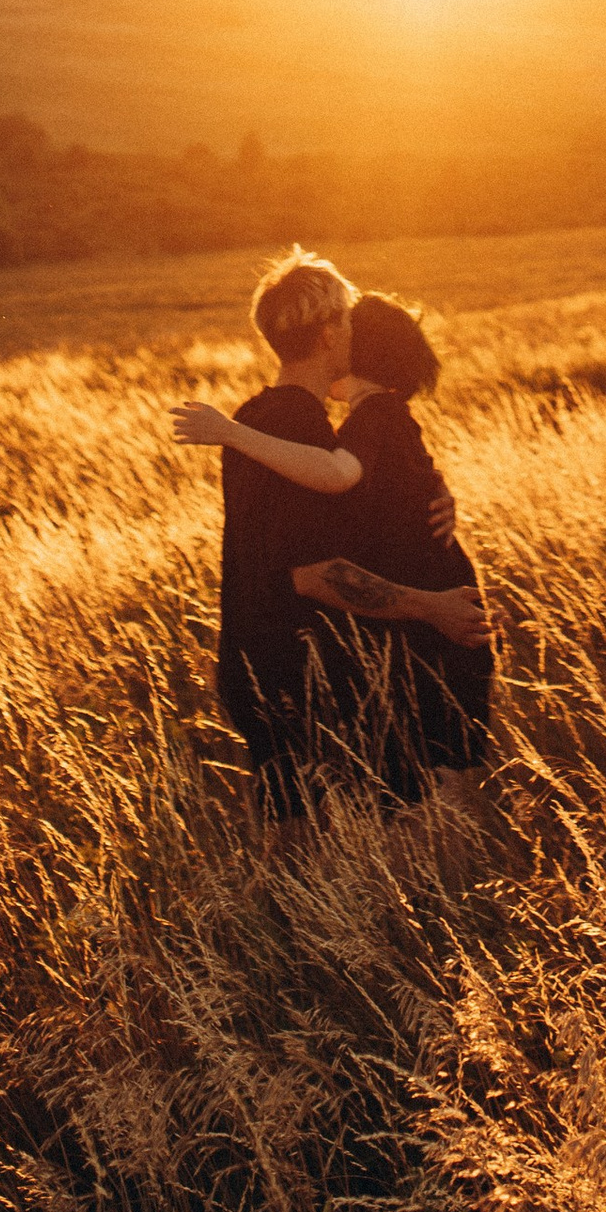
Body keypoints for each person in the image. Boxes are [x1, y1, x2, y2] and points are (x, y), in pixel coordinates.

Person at [185, 251, 484, 819]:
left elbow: (347, 515)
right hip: (292, 675)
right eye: (348, 318)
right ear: (328, 335)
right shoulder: (297, 427)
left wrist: (431, 495)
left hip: (263, 664)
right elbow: (318, 572)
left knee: (310, 847)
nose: (359, 326)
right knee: (339, 851)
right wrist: (433, 608)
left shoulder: (260, 417)